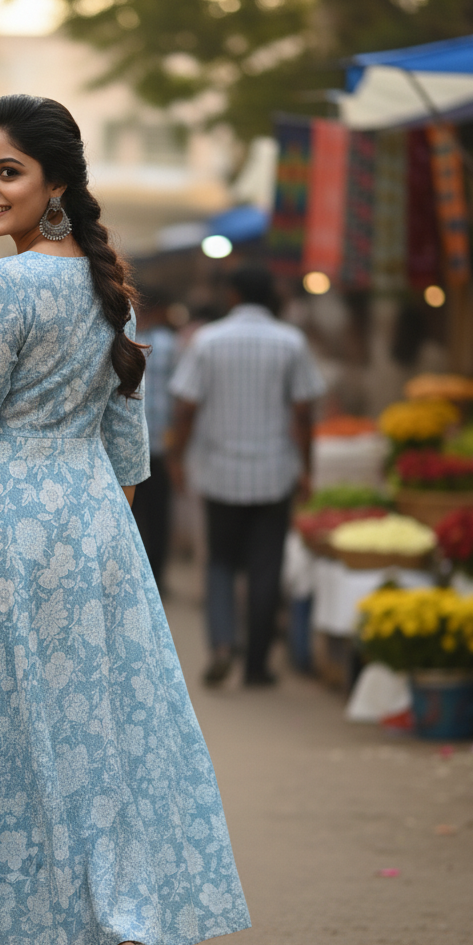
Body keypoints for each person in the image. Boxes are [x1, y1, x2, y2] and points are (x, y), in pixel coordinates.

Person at [0, 94, 250, 945]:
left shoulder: (6, 290)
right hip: (92, 530)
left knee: (19, 754)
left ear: (55, 182)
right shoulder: (111, 293)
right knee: (86, 743)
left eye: (5, 171)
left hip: (1, 532)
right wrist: (89, 534)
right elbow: (129, 452)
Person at [168, 264, 325, 688]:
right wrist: (307, 469)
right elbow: (304, 413)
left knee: (220, 562)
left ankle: (221, 644)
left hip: (220, 472)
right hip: (275, 472)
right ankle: (256, 666)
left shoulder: (207, 341)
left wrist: (178, 458)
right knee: (265, 567)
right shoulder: (291, 342)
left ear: (234, 296)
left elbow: (185, 408)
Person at [130, 292, 178, 589]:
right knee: (159, 517)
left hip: (129, 444)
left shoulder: (126, 340)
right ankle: (157, 579)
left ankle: (133, 578)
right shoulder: (174, 345)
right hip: (161, 446)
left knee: (131, 514)